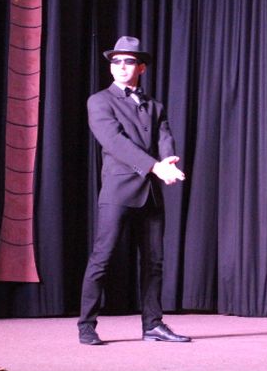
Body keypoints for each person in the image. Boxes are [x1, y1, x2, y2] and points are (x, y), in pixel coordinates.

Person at [78, 36, 190, 345]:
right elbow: (115, 142)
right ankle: (86, 325)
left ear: (141, 67)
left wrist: (168, 159)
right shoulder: (99, 101)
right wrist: (155, 167)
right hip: (119, 190)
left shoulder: (154, 105)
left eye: (129, 61)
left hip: (150, 192)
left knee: (154, 262)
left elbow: (164, 136)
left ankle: (152, 325)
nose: (121, 66)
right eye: (116, 61)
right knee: (102, 258)